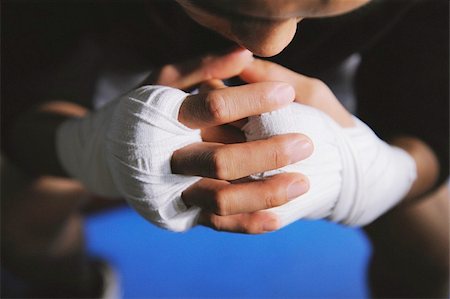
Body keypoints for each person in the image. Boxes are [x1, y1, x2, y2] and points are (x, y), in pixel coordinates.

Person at [1, 0, 448, 297]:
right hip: (111, 52)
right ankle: (71, 286)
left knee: (436, 247)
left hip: (351, 74)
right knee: (22, 226)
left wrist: (376, 174)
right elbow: (25, 84)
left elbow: (433, 113)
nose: (269, 44)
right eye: (219, 2)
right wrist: (91, 145)